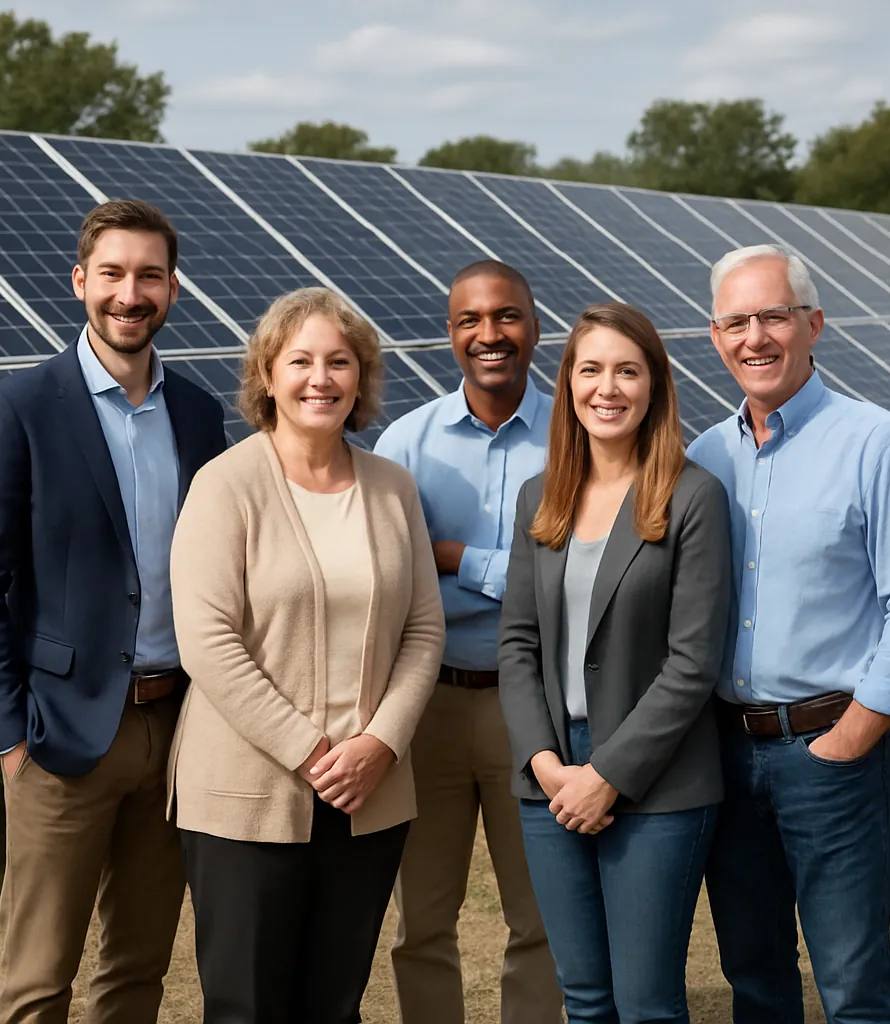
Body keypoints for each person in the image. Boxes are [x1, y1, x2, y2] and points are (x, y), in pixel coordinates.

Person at [0, 199, 227, 1024]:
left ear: (172, 288)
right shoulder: (20, 407)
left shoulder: (199, 415)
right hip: (59, 735)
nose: (129, 293)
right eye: (112, 274)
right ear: (80, 282)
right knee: (36, 982)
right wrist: (8, 737)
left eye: (149, 275)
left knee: (136, 970)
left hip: (177, 728)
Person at [688, 244, 890, 1024]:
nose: (755, 338)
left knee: (852, 980)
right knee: (755, 976)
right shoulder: (704, 458)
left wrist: (851, 737)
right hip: (726, 758)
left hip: (832, 752)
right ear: (714, 336)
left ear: (814, 324)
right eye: (736, 322)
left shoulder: (875, 443)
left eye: (773, 316)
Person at [167, 286, 445, 1024]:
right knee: (246, 1006)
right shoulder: (225, 485)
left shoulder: (393, 488)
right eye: (300, 361)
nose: (320, 378)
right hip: (246, 798)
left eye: (339, 362)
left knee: (335, 1002)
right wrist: (315, 750)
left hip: (369, 795)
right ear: (266, 375)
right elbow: (207, 639)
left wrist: (380, 743)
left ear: (361, 377)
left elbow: (423, 629)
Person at [497, 301, 731, 1024]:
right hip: (552, 777)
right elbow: (517, 644)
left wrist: (607, 775)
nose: (609, 388)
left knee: (646, 1002)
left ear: (655, 386)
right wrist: (546, 762)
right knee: (585, 997)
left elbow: (693, 662)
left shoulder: (694, 497)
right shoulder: (542, 499)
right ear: (567, 385)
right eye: (591, 369)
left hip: (655, 783)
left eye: (628, 371)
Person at [375, 259, 562, 1024]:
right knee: (422, 919)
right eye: (470, 321)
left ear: (534, 325)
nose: (490, 335)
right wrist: (516, 563)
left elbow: (576, 572)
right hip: (430, 704)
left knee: (543, 916)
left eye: (506, 317)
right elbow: (387, 572)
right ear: (451, 334)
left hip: (541, 707)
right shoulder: (404, 445)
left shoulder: (580, 431)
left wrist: (453, 557)